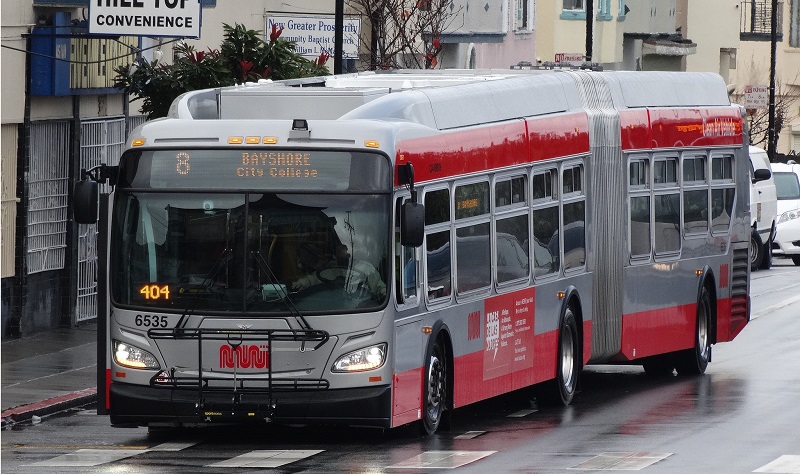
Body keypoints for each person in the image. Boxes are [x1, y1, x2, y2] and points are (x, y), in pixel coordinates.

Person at [292, 243, 386, 298]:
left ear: (350, 254)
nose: (341, 258)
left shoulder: (366, 268)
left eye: (344, 255)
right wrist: (302, 282)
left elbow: (379, 286)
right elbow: (313, 279)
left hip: (360, 306)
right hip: (333, 305)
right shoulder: (331, 268)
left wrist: (384, 293)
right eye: (339, 255)